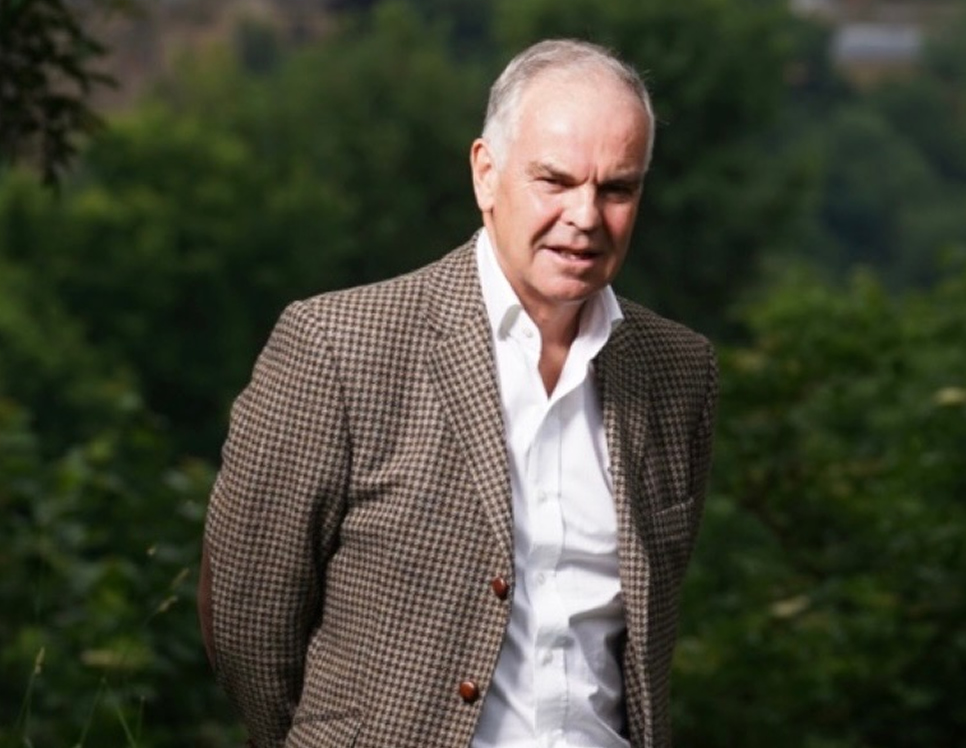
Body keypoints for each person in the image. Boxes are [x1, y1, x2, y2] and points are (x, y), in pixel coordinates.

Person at [199, 39, 718, 748]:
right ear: (486, 174)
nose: (585, 216)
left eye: (616, 189)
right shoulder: (338, 345)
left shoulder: (679, 372)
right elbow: (247, 621)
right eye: (555, 181)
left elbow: (645, 647)